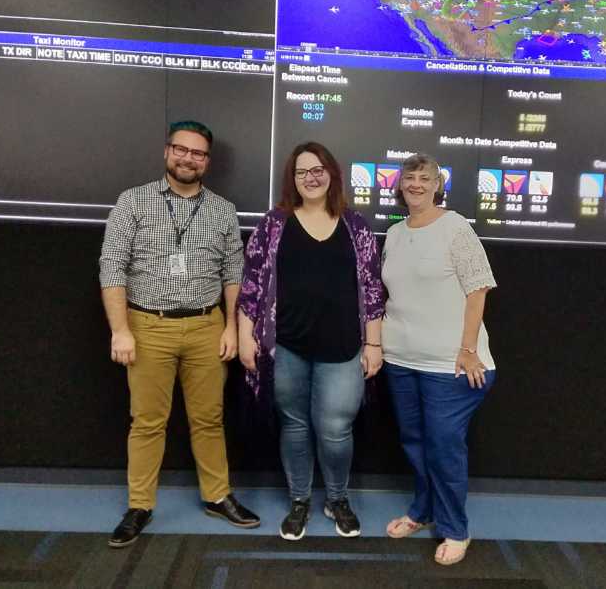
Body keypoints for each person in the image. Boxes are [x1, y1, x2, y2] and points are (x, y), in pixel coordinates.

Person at [99, 120, 260, 548]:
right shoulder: (132, 202)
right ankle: (139, 506)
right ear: (167, 152)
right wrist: (120, 331)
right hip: (147, 327)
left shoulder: (223, 210)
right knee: (148, 422)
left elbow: (233, 274)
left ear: (208, 161)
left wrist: (230, 326)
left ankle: (217, 496)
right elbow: (112, 268)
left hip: (208, 328)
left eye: (199, 153)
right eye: (182, 150)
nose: (189, 158)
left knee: (209, 419)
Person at [238, 142, 385, 541]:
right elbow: (251, 285)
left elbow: (373, 289)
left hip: (344, 348)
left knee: (336, 429)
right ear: (293, 180)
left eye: (318, 169)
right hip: (286, 347)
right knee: (295, 425)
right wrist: (243, 337)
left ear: (332, 174)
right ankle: (299, 500)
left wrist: (374, 345)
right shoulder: (274, 224)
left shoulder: (356, 226)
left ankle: (337, 499)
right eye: (303, 171)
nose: (311, 177)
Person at [381, 153, 497, 566]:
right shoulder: (394, 234)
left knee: (444, 446)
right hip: (400, 359)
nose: (415, 183)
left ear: (437, 185)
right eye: (408, 177)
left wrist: (467, 350)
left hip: (450, 365)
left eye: (424, 178)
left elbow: (478, 290)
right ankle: (423, 510)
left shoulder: (456, 227)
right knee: (415, 442)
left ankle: (454, 529)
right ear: (399, 186)